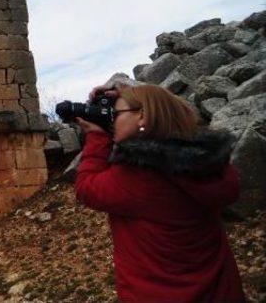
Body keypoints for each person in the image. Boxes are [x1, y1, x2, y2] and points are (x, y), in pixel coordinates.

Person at [74, 83, 245, 302]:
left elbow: (86, 187)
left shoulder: (139, 176)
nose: (111, 120)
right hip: (220, 293)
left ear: (142, 116)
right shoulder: (209, 166)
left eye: (115, 114)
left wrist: (96, 136)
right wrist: (129, 95)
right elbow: (173, 112)